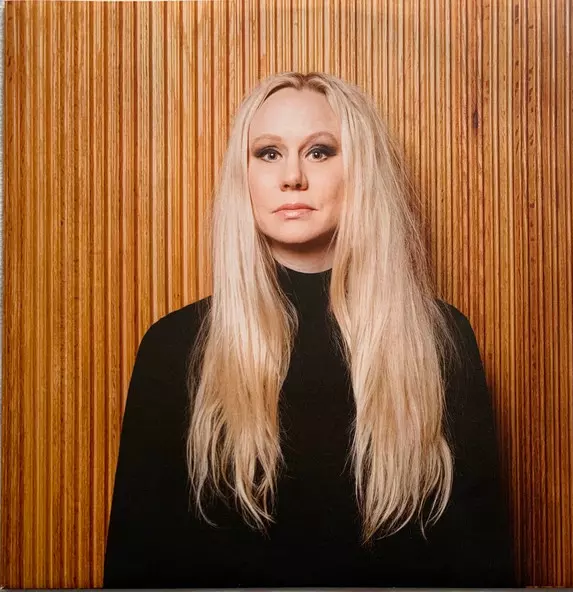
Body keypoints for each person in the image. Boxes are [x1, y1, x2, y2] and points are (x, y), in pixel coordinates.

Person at [103, 71, 516, 588]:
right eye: (268, 153)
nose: (292, 176)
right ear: (244, 177)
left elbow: (483, 565)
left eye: (319, 151)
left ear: (360, 170)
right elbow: (135, 568)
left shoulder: (440, 339)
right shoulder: (173, 347)